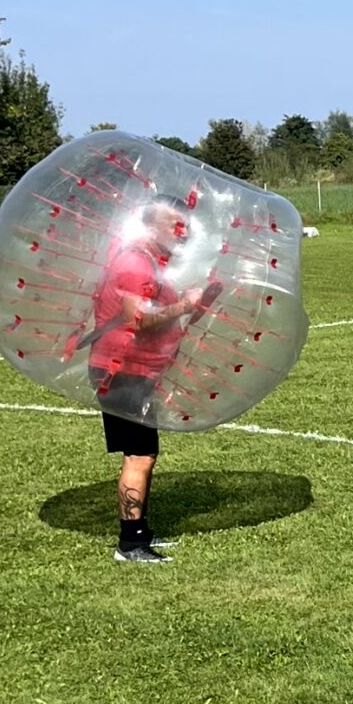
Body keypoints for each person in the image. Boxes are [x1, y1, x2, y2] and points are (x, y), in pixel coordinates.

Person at [85, 196, 215, 563]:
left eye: (185, 223)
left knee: (146, 452)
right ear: (151, 225)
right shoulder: (133, 263)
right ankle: (130, 545)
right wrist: (186, 305)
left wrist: (197, 304)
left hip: (136, 368)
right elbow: (137, 320)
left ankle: (140, 531)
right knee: (138, 455)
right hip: (119, 370)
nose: (183, 231)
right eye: (175, 224)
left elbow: (165, 319)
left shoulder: (153, 263)